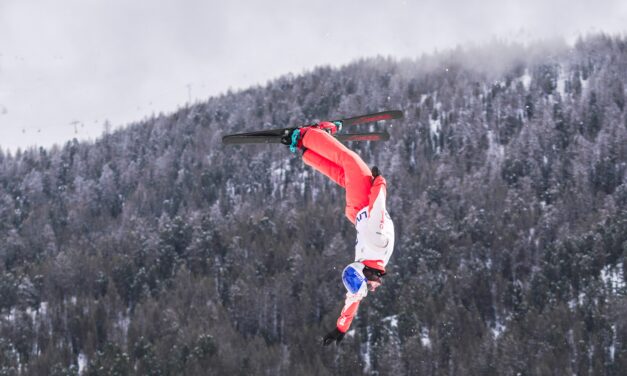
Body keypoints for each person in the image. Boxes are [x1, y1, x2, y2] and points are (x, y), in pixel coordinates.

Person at [281, 121, 395, 346]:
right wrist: (341, 328)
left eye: (370, 286)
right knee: (344, 172)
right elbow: (352, 302)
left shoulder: (371, 259)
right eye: (372, 285)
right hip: (358, 211)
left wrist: (380, 183)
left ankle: (310, 135)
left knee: (349, 160)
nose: (372, 288)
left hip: (363, 202)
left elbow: (378, 208)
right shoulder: (373, 252)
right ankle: (306, 151)